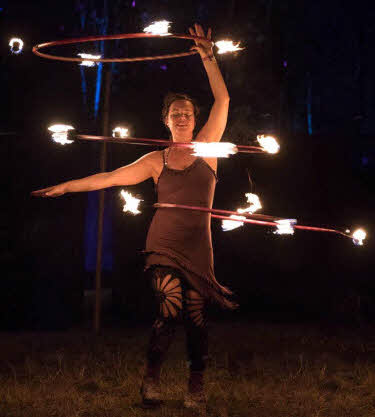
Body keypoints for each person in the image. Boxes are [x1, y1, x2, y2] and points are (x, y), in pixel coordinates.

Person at [32, 24, 238, 414]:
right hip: (163, 245)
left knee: (195, 317)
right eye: (175, 113)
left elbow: (223, 99)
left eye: (187, 113)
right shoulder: (154, 160)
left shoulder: (210, 148)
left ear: (195, 119)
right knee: (169, 303)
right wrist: (65, 187)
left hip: (198, 248)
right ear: (166, 120)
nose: (181, 117)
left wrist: (208, 57)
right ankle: (152, 379)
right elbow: (109, 178)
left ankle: (196, 384)